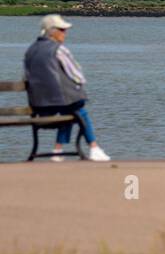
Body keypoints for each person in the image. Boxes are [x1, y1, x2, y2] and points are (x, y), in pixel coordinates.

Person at [23, 14, 110, 162]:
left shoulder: (30, 50)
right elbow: (77, 75)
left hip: (38, 106)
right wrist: (78, 85)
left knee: (69, 108)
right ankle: (94, 147)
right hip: (59, 102)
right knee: (77, 108)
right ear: (52, 31)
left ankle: (58, 150)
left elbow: (25, 77)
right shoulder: (59, 50)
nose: (65, 33)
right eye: (62, 29)